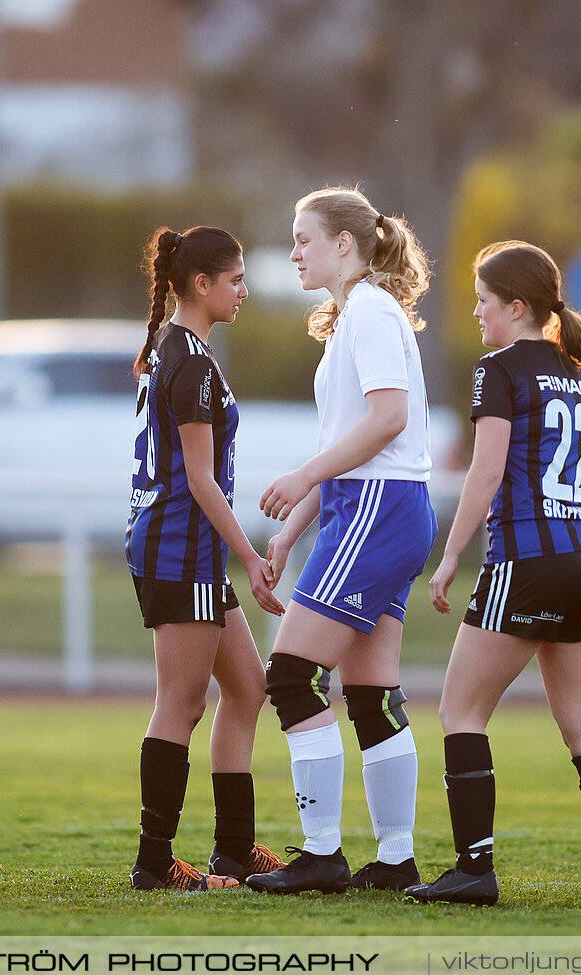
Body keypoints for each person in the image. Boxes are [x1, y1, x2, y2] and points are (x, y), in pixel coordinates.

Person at [401, 242, 581, 907]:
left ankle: (474, 869)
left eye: (482, 301)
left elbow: (487, 468)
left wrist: (449, 556)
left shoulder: (497, 368)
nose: (476, 312)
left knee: (460, 710)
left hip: (526, 559)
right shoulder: (570, 371)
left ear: (516, 306)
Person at [243, 188, 437, 896]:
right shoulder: (355, 316)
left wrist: (301, 478)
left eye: (304, 238)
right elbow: (351, 441)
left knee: (292, 675)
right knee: (371, 691)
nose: (294, 252)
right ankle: (395, 859)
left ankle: (323, 852)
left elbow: (387, 421)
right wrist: (291, 530)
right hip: (374, 506)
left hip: (379, 508)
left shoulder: (373, 313)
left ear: (346, 245)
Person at [125, 225, 288, 892]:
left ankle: (233, 849)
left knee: (248, 687)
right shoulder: (188, 360)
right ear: (202, 284)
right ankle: (154, 862)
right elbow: (199, 479)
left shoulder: (180, 350)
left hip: (185, 551)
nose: (243, 290)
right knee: (181, 702)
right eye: (236, 278)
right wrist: (250, 555)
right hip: (178, 550)